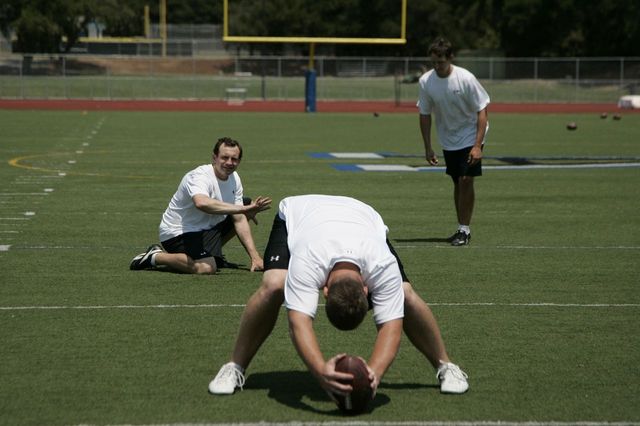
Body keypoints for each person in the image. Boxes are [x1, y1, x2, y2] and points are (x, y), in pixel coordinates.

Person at [208, 194, 468, 400]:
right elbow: (298, 323)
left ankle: (446, 365)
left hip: (362, 217)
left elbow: (392, 327)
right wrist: (320, 371)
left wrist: (374, 375)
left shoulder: (380, 265)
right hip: (298, 213)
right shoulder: (308, 263)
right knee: (274, 283)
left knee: (405, 293)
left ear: (325, 289)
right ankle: (235, 365)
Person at [129, 137, 272, 274]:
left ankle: (212, 254)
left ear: (239, 161)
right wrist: (243, 209)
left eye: (234, 159)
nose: (229, 162)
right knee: (207, 267)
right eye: (224, 157)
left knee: (244, 206)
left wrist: (256, 258)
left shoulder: (235, 178)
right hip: (179, 233)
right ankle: (155, 256)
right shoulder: (200, 176)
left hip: (205, 229)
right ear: (214, 157)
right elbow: (201, 203)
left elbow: (239, 219)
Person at [417, 37, 490, 246]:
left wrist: (477, 145)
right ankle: (461, 226)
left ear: (450, 58)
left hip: (471, 132)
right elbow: (424, 114)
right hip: (449, 137)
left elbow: (482, 110)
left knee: (467, 179)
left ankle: (464, 230)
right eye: (434, 62)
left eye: (441, 61)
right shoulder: (426, 82)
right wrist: (428, 147)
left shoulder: (465, 78)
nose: (437, 66)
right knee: (458, 181)